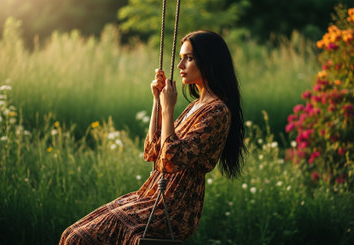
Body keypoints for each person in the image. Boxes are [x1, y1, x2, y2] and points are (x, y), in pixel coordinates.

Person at [59, 30, 245, 245]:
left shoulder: (217, 111)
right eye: (181, 58)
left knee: (78, 240)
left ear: (209, 62)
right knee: (71, 234)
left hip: (174, 206)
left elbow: (171, 160)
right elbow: (152, 151)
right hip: (151, 195)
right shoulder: (196, 106)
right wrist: (157, 101)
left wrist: (168, 110)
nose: (180, 66)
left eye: (189, 58)